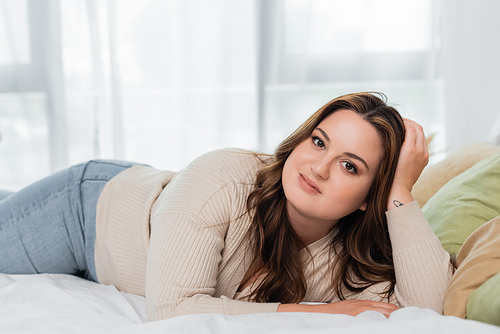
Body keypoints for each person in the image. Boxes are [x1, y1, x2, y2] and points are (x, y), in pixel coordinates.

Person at [0, 92, 453, 321]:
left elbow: (427, 311)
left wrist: (400, 192)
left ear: (367, 200)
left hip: (151, 218)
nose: (318, 167)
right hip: (84, 212)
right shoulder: (223, 178)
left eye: (350, 166)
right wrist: (321, 313)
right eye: (318, 142)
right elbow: (174, 310)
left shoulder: (344, 256)